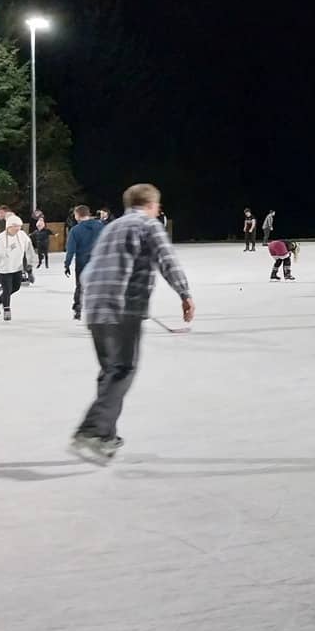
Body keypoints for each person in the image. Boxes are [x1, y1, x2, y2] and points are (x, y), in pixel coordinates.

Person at [69, 182, 194, 462]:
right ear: (153, 205)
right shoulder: (148, 225)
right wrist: (185, 294)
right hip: (122, 307)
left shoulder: (110, 228)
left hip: (95, 307)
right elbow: (167, 260)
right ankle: (91, 430)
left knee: (110, 372)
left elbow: (90, 270)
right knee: (123, 369)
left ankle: (105, 436)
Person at [0, 214, 35, 321]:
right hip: (3, 268)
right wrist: (7, 252)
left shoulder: (22, 235)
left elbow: (29, 249)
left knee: (16, 287)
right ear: (9, 227)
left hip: (17, 267)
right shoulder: (0, 238)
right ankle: (6, 309)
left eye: (19, 227)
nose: (17, 229)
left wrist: (30, 263)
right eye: (15, 227)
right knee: (7, 289)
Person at [64, 204, 105, 320]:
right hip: (99, 261)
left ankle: (78, 308)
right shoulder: (100, 226)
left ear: (77, 215)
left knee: (80, 286)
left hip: (82, 261)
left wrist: (67, 264)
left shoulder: (75, 230)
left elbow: (70, 250)